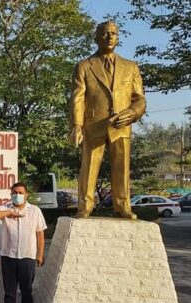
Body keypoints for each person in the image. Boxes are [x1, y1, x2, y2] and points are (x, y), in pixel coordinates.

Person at [68, 20, 146, 219]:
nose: (110, 36)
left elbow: (140, 99)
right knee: (89, 165)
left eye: (113, 33)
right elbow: (77, 98)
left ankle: (123, 206)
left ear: (118, 38)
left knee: (122, 167)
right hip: (94, 124)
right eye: (105, 33)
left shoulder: (131, 67)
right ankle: (84, 206)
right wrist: (76, 125)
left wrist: (133, 112)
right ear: (96, 38)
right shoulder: (84, 66)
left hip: (122, 124)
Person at [0, 182, 46, 303]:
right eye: (14, 192)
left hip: (27, 257)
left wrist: (40, 254)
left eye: (21, 192)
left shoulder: (35, 211)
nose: (17, 195)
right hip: (8, 257)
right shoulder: (6, 208)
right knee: (10, 293)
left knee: (27, 292)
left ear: (27, 194)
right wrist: (8, 213)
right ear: (10, 194)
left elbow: (40, 234)